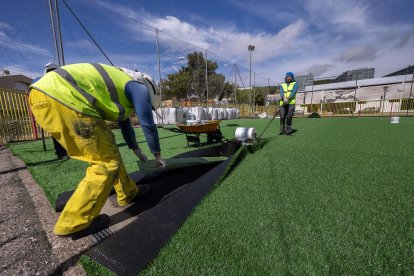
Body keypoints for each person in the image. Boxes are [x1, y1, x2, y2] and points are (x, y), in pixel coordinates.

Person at [29, 63, 165, 238]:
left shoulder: (119, 85)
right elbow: (148, 124)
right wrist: (157, 154)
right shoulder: (138, 87)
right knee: (105, 163)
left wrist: (136, 150)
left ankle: (128, 192)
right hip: (66, 98)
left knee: (108, 149)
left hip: (41, 97)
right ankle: (73, 223)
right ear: (149, 86)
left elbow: (126, 126)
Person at [44, 62, 69, 160]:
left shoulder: (62, 80)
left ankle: (64, 152)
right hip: (54, 108)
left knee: (63, 130)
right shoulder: (45, 82)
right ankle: (62, 153)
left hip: (61, 107)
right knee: (58, 131)